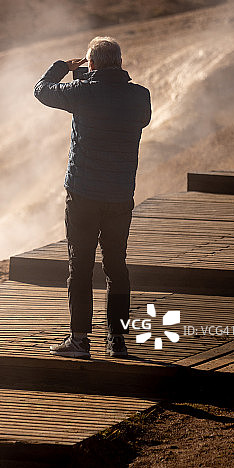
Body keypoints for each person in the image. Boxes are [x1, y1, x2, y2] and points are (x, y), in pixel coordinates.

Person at [33, 36, 151, 358]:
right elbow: (110, 103)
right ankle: (117, 340)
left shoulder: (82, 94)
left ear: (92, 64)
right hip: (119, 195)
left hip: (83, 194)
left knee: (80, 265)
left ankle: (80, 340)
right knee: (117, 266)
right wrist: (90, 77)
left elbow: (41, 90)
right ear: (121, 62)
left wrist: (63, 67)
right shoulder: (140, 97)